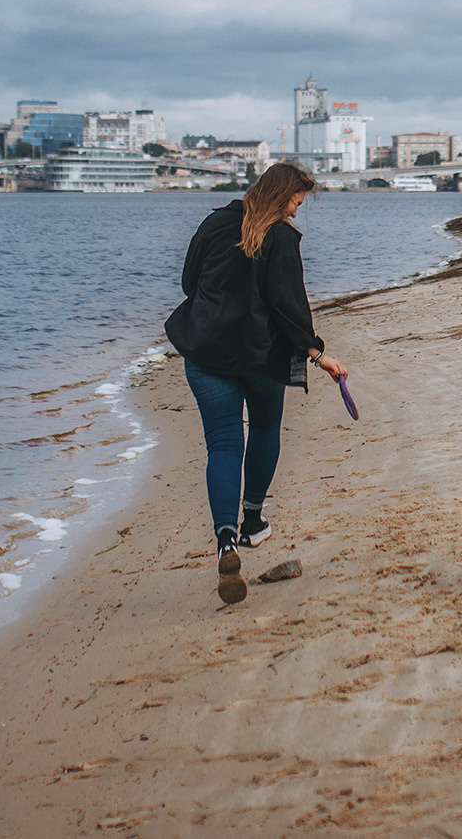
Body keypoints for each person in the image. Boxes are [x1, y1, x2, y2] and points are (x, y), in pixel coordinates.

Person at [165, 162, 346, 605]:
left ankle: (225, 538)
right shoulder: (281, 238)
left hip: (206, 353)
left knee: (224, 444)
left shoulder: (214, 223)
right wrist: (317, 353)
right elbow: (289, 307)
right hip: (261, 359)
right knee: (264, 429)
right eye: (295, 203)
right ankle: (252, 521)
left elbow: (190, 283)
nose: (296, 213)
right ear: (281, 195)